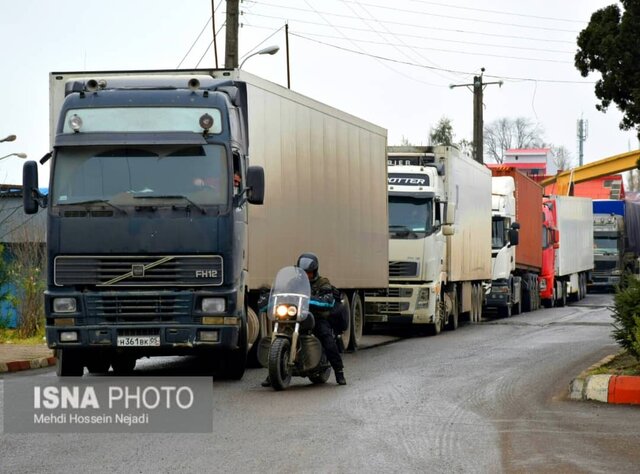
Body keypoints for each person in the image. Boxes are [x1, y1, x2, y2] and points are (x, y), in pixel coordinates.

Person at [262, 252, 347, 386]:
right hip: (294, 315)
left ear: (315, 271)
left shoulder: (323, 282)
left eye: (309, 273)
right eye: (304, 272)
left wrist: (310, 300)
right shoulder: (294, 282)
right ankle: (273, 373)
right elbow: (283, 293)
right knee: (278, 331)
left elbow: (328, 301)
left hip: (316, 317)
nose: (307, 275)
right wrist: (269, 299)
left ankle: (339, 371)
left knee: (326, 337)